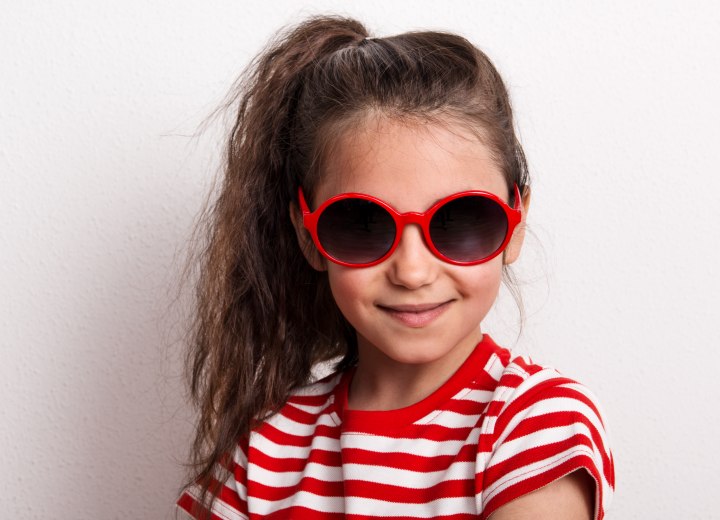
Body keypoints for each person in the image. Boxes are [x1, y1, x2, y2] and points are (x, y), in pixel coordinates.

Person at [176, 15, 614, 520]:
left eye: (460, 220)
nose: (412, 271)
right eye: (361, 224)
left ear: (515, 225)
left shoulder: (537, 425)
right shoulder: (261, 450)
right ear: (308, 234)